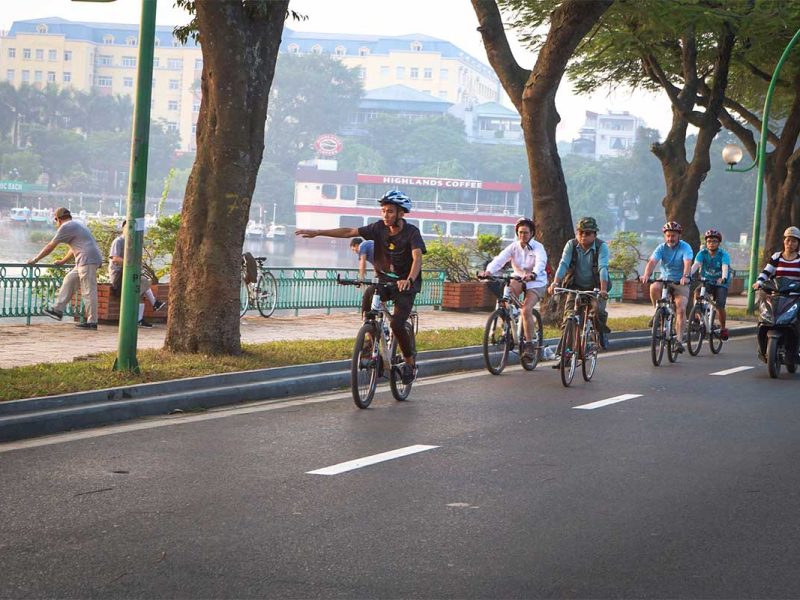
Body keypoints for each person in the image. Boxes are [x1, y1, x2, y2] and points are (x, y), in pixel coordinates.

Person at [296, 190, 426, 384]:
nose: (385, 215)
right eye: (383, 211)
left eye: (390, 211)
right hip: (384, 280)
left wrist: (408, 279)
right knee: (369, 295)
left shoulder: (411, 232)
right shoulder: (378, 228)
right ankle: (369, 336)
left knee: (397, 323)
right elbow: (349, 232)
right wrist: (318, 232)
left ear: (401, 213)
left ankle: (410, 363)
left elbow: (417, 258)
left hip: (406, 284)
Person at [481, 217, 547, 360]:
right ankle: (508, 331)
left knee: (526, 309)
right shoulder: (513, 247)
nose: (523, 235)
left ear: (532, 234)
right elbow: (499, 259)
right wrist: (488, 272)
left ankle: (529, 345)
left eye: (526, 233)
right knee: (505, 298)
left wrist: (533, 274)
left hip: (536, 281)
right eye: (520, 232)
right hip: (518, 278)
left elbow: (541, 262)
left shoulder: (538, 247)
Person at [27, 207, 103, 330]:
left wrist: (35, 260)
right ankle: (58, 310)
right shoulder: (76, 224)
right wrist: (63, 261)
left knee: (89, 290)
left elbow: (50, 246)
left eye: (55, 220)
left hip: (87, 260)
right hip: (86, 259)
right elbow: (73, 248)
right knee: (69, 279)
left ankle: (92, 322)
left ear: (58, 219)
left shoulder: (66, 226)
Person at [547, 216, 611, 349]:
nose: (583, 236)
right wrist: (555, 283)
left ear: (594, 234)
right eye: (580, 232)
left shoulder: (601, 247)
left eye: (587, 233)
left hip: (595, 287)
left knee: (597, 311)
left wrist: (603, 289)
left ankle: (600, 331)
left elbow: (603, 267)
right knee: (569, 318)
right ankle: (565, 353)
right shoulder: (571, 245)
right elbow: (563, 264)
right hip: (575, 287)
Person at [640, 221, 694, 353]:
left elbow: (687, 262)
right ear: (665, 236)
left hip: (681, 282)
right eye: (668, 235)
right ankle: (657, 313)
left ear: (679, 236)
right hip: (665, 280)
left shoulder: (685, 247)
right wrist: (646, 274)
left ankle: (679, 341)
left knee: (681, 309)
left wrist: (685, 276)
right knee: (654, 287)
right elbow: (652, 261)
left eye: (673, 236)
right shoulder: (661, 248)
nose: (670, 238)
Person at [109, 220, 166, 328]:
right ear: (123, 228)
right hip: (118, 274)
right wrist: (130, 263)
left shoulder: (133, 243)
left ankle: (144, 314)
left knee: (142, 285)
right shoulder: (119, 241)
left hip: (129, 273)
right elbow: (115, 259)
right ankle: (152, 305)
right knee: (142, 283)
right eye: (128, 227)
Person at [690, 229, 731, 340]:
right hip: (706, 281)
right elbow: (696, 265)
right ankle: (698, 318)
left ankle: (723, 328)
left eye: (714, 241)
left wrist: (723, 278)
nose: (711, 243)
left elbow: (725, 267)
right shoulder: (702, 253)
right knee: (697, 293)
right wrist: (687, 275)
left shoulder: (723, 254)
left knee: (720, 305)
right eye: (709, 241)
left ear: (718, 243)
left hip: (720, 284)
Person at [349, 237, 379, 316]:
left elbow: (362, 262)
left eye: (353, 249)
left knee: (368, 294)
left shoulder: (362, 246)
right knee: (379, 291)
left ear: (356, 245)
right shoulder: (370, 244)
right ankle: (382, 312)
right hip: (389, 268)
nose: (354, 251)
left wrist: (361, 278)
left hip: (386, 268)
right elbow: (376, 264)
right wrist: (376, 276)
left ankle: (366, 316)